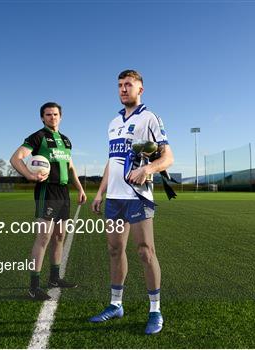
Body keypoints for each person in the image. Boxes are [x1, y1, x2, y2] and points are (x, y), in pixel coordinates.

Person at [90, 70, 174, 334]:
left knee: (145, 252)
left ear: (140, 89)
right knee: (115, 251)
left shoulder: (149, 118)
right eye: (119, 85)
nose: (123, 89)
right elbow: (111, 161)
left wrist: (147, 170)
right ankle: (116, 304)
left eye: (128, 85)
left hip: (138, 197)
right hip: (114, 199)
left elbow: (167, 157)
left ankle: (155, 310)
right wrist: (100, 192)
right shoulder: (113, 122)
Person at [10, 102, 86, 300]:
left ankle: (54, 278)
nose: (52, 117)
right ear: (42, 118)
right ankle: (33, 286)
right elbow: (16, 158)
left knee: (60, 236)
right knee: (43, 238)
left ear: (60, 117)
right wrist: (29, 175)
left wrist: (80, 188)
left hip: (63, 192)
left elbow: (70, 167)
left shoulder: (66, 141)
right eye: (48, 114)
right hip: (47, 190)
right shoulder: (38, 137)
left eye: (55, 114)